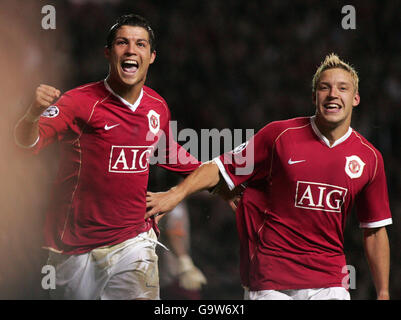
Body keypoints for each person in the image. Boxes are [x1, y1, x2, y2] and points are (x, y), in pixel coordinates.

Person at [146, 53, 392, 300]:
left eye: (343, 88)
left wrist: (382, 292)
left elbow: (375, 230)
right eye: (324, 88)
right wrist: (174, 194)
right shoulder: (280, 135)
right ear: (314, 96)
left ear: (355, 98)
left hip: (330, 283)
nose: (333, 94)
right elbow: (219, 168)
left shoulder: (369, 158)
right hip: (271, 282)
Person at [14, 14, 201, 300]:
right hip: (74, 247)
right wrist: (31, 114)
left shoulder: (157, 106)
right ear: (108, 52)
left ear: (151, 56)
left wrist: (218, 178)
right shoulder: (79, 102)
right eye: (122, 42)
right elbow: (28, 144)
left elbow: (167, 151)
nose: (131, 50)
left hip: (133, 241)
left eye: (140, 44)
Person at [158, 201, 207, 300]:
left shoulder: (172, 201)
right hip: (173, 272)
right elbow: (173, 234)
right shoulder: (176, 204)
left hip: (167, 272)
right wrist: (184, 262)